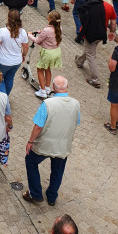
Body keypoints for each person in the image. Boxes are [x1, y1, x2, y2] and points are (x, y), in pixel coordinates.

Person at [23, 75, 80, 206]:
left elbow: (38, 126)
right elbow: (76, 121)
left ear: (53, 88)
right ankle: (52, 197)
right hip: (63, 146)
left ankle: (36, 193)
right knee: (58, 170)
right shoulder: (76, 104)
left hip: (45, 144)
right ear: (68, 87)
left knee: (31, 161)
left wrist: (30, 141)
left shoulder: (48, 104)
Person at [75, 0, 117, 89]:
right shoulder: (109, 7)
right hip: (101, 34)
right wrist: (112, 32)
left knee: (91, 55)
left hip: (89, 34)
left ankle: (95, 80)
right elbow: (113, 22)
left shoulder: (89, 4)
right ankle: (79, 61)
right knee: (90, 49)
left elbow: (82, 17)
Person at [0, 10, 29, 95]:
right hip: (16, 62)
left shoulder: (3, 31)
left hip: (2, 62)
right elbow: (25, 47)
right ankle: (6, 96)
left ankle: (3, 98)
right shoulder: (23, 32)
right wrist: (23, 55)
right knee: (9, 79)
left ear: (8, 18)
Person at [29, 11, 62, 99]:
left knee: (40, 69)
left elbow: (37, 40)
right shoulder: (59, 28)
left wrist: (29, 35)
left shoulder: (47, 30)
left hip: (48, 53)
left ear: (50, 19)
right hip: (56, 51)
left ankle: (42, 91)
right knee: (47, 69)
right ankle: (47, 88)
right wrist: (41, 32)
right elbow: (49, 36)